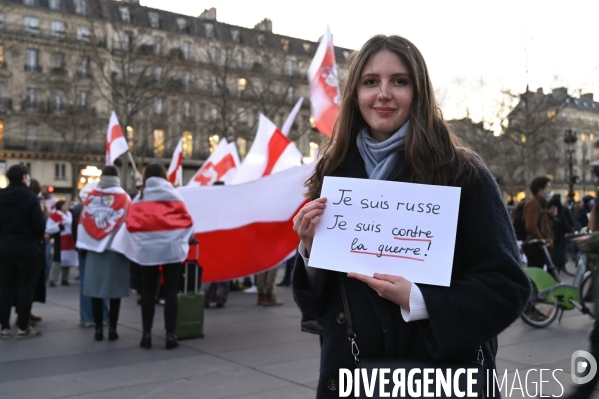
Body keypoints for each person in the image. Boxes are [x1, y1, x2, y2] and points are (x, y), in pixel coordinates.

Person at [291, 35, 530, 398]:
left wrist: (419, 301)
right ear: (355, 93)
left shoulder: (462, 172)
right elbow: (314, 306)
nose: (383, 93)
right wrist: (310, 251)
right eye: (370, 81)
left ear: (419, 92)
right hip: (352, 382)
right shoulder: (333, 173)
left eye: (399, 81)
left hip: (444, 380)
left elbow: (507, 288)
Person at [110, 163, 194, 350]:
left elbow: (131, 224)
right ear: (164, 175)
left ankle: (146, 335)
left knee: (148, 292)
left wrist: (142, 241)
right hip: (171, 250)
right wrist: (180, 239)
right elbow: (188, 221)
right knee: (171, 292)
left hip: (147, 251)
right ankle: (170, 335)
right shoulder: (174, 194)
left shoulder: (140, 197)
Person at [77, 166, 130, 341]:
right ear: (118, 177)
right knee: (114, 292)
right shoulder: (125, 198)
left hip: (94, 248)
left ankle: (98, 329)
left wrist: (84, 245)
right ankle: (113, 328)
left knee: (95, 290)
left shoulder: (91, 197)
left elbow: (83, 223)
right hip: (115, 250)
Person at [0, 165, 45, 339]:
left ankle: (4, 327)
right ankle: (23, 327)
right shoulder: (31, 198)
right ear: (25, 177)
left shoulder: (1, 196)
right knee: (25, 289)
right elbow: (39, 225)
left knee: (4, 289)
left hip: (4, 248)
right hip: (27, 249)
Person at [522, 176, 557, 268]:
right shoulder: (533, 203)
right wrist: (542, 240)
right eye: (548, 187)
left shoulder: (541, 204)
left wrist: (550, 216)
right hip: (536, 247)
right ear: (540, 189)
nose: (550, 190)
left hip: (540, 246)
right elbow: (531, 226)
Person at [47, 200, 79, 286]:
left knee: (67, 259)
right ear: (60, 206)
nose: (66, 207)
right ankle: (53, 279)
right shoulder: (54, 215)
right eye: (64, 205)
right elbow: (49, 228)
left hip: (70, 239)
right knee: (57, 259)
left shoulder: (70, 214)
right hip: (60, 239)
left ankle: (65, 278)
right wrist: (60, 226)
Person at [548, 194, 573, 272]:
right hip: (559, 242)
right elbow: (568, 226)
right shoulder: (561, 215)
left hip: (554, 243)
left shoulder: (551, 217)